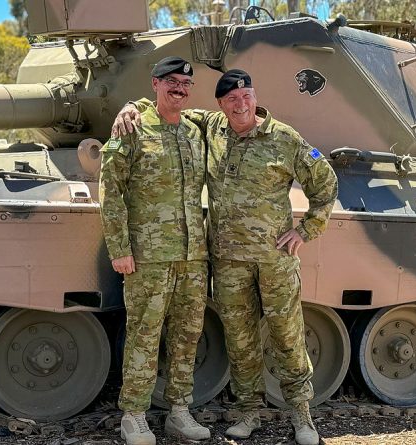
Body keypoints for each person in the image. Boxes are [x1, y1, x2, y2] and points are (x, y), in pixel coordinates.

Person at [113, 69, 338, 445]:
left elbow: (326, 182)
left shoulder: (285, 138)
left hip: (274, 260)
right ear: (220, 105)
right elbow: (169, 105)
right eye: (232, 99)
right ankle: (249, 411)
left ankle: (302, 415)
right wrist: (130, 106)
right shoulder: (213, 126)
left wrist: (306, 230)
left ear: (255, 97)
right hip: (228, 262)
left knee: (287, 336)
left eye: (246, 95)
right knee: (240, 339)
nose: (241, 104)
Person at [100, 56, 212, 445]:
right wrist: (120, 248)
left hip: (192, 256)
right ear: (155, 83)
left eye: (185, 83)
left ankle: (179, 412)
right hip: (147, 256)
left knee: (187, 335)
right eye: (171, 81)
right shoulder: (131, 127)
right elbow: (110, 189)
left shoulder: (195, 132)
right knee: (144, 335)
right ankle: (133, 416)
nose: (179, 88)